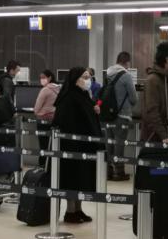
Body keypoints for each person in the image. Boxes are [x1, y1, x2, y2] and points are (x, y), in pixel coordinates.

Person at [53, 67, 102, 224]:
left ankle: (78, 209)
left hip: (84, 145)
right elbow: (65, 122)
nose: (88, 80)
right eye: (85, 77)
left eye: (89, 77)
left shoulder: (83, 95)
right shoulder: (68, 97)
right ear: (75, 79)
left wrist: (94, 110)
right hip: (71, 147)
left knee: (82, 179)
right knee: (72, 179)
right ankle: (70, 211)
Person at [105, 52, 138, 181]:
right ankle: (119, 173)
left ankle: (107, 172)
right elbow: (134, 98)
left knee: (109, 144)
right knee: (119, 145)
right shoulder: (126, 76)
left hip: (108, 115)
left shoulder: (108, 74)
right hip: (122, 115)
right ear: (126, 62)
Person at [33, 70, 60, 167]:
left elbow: (36, 108)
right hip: (54, 120)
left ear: (50, 77)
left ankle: (43, 166)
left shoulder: (45, 90)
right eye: (40, 77)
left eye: (43, 77)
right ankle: (52, 166)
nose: (41, 79)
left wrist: (37, 112)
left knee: (43, 145)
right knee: (52, 145)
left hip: (43, 121)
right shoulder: (59, 88)